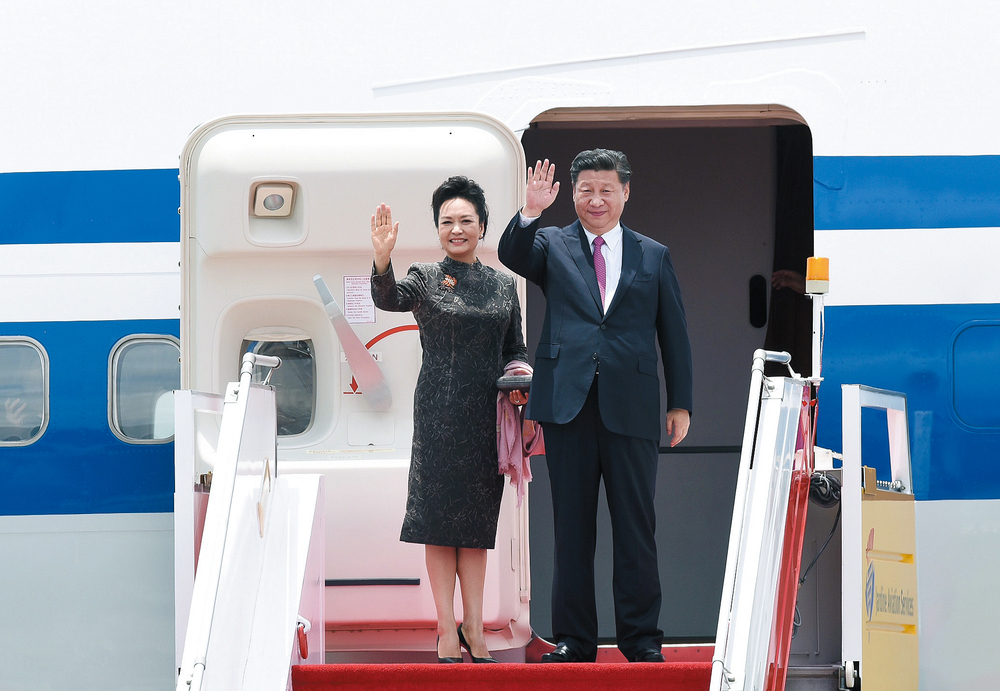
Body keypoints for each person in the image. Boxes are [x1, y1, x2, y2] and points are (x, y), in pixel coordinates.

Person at [497, 150, 693, 663]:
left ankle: (642, 641)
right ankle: (575, 640)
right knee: (572, 528)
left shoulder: (653, 254)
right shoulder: (552, 244)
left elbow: (674, 333)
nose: (596, 199)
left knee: (635, 527)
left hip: (632, 404)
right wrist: (531, 211)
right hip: (567, 404)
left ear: (626, 192)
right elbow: (512, 255)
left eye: (607, 189)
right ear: (574, 193)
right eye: (586, 189)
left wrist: (682, 403)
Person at [370, 176, 528, 664]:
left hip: (487, 417)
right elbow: (387, 298)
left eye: (466, 220)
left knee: (476, 527)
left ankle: (474, 628)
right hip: (438, 413)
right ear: (438, 230)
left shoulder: (504, 284)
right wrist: (381, 259)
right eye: (447, 222)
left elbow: (515, 349)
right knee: (439, 524)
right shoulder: (422, 276)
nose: (456, 229)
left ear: (482, 226)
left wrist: (521, 375)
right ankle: (445, 627)